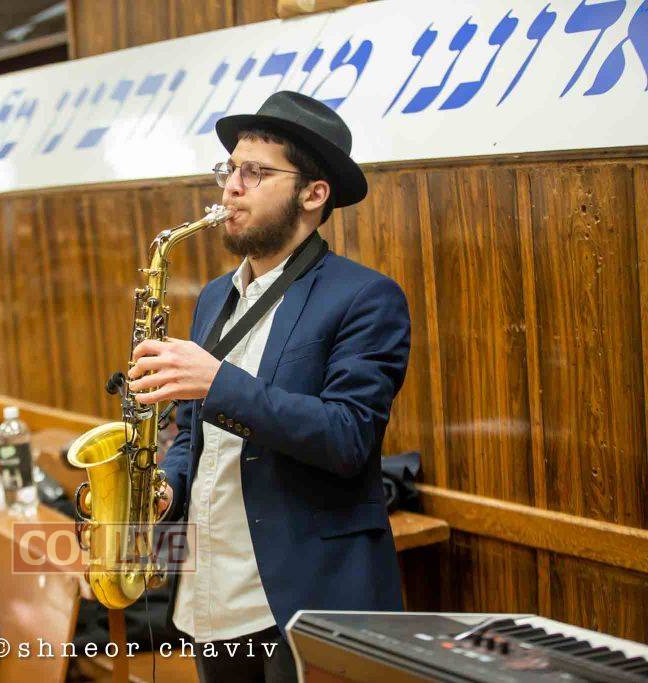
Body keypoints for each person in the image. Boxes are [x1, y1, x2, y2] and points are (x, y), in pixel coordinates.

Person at [126, 91, 411, 682]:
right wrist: (166, 489)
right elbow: (194, 433)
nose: (231, 187)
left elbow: (348, 437)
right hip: (211, 586)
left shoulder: (366, 297)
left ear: (313, 194)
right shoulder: (214, 297)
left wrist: (217, 382)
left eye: (255, 172)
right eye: (229, 169)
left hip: (302, 593)